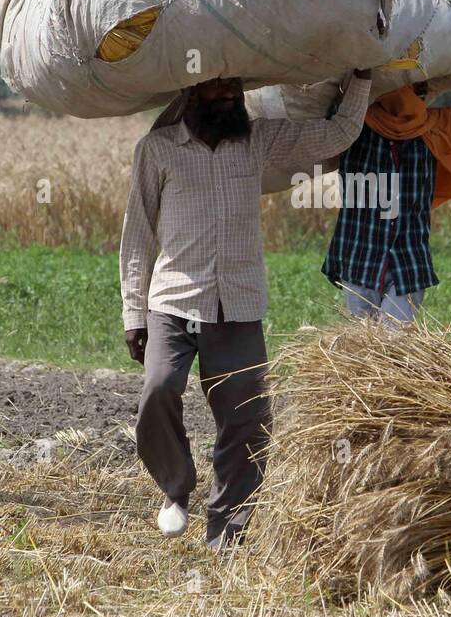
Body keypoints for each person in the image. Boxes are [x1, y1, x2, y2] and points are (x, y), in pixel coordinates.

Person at [120, 70, 372, 547]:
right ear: (191, 92)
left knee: (248, 419)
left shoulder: (257, 141)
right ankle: (176, 486)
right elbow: (138, 234)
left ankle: (228, 533)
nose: (229, 94)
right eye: (217, 86)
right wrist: (133, 313)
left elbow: (338, 134)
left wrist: (358, 77)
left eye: (235, 86)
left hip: (237, 304)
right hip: (173, 300)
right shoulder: (157, 151)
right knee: (157, 389)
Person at [322, 66, 451, 323]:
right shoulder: (354, 127)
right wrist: (362, 70)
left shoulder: (432, 129)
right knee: (361, 352)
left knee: (393, 346)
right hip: (359, 259)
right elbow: (329, 104)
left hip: (406, 265)